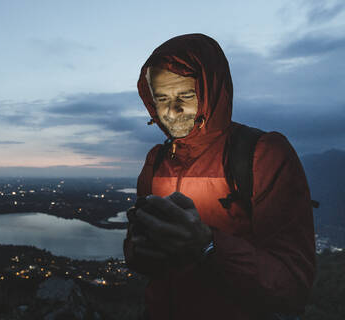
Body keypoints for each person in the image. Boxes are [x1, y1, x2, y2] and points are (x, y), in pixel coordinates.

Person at [123, 33, 316, 320]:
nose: (171, 111)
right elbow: (140, 260)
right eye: (161, 98)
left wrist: (208, 245)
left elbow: (292, 284)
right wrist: (140, 245)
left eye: (185, 96)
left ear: (211, 90)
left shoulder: (263, 154)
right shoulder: (157, 160)